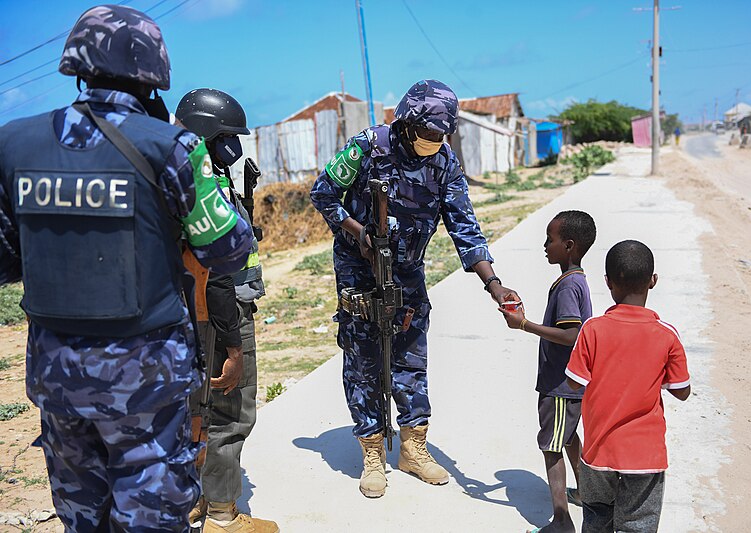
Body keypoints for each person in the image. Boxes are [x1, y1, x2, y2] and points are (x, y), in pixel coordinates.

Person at [0, 5, 253, 532]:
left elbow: (5, 262)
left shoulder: (14, 143)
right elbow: (228, 251)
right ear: (152, 72)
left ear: (78, 64)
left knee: (82, 521)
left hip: (57, 380)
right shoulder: (172, 147)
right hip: (146, 386)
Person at [310, 79, 518, 498]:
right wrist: (359, 235)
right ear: (407, 123)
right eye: (427, 134)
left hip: (407, 271)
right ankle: (371, 450)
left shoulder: (444, 163)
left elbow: (465, 226)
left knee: (410, 354)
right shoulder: (367, 147)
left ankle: (413, 446)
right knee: (363, 356)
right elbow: (323, 193)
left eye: (441, 136)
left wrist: (494, 284)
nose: (433, 142)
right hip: (358, 266)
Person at [176, 89, 277, 533]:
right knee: (230, 413)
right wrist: (234, 346)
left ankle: (193, 501)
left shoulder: (189, 185)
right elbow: (217, 275)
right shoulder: (206, 189)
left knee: (194, 412)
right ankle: (222, 516)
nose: (233, 148)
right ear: (204, 135)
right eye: (225, 138)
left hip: (188, 317)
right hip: (221, 315)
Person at [565, 240, 691, 533]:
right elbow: (681, 391)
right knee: (639, 524)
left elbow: (574, 381)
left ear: (608, 282)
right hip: (645, 454)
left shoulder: (593, 329)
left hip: (598, 451)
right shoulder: (666, 335)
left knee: (596, 518)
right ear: (653, 281)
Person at [500, 210, 596, 533]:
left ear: (569, 246)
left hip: (560, 385)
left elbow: (572, 335)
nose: (545, 245)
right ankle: (586, 492)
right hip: (570, 384)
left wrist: (524, 324)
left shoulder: (569, 287)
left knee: (552, 447)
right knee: (567, 437)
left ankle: (561, 520)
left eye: (550, 239)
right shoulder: (575, 280)